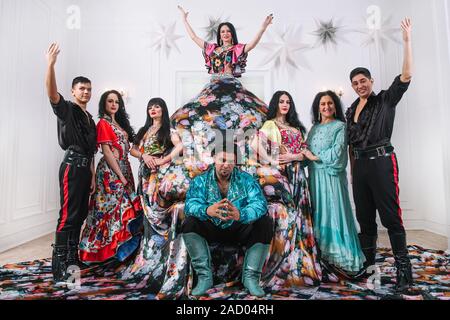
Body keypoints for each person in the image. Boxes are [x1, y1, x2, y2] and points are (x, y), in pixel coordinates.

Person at [345, 18, 413, 292]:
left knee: (391, 218)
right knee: (365, 219)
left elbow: (406, 76)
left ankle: (404, 272)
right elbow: (350, 144)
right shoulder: (350, 111)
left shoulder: (385, 99)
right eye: (355, 83)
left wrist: (407, 41)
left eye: (363, 81)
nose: (359, 85)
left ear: (371, 81)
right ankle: (369, 266)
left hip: (382, 162)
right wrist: (352, 172)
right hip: (359, 168)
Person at [181, 144, 273, 297]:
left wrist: (241, 214)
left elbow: (260, 204)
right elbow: (190, 204)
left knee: (265, 222)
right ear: (214, 159)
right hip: (211, 229)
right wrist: (206, 210)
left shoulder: (246, 179)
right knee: (189, 222)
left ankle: (250, 278)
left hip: (238, 229)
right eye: (222, 160)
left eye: (231, 161)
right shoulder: (201, 180)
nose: (226, 165)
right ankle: (205, 277)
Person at [251, 91, 322, 286]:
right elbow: (255, 144)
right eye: (281, 101)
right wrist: (272, 160)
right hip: (283, 175)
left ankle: (303, 260)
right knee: (289, 215)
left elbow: (303, 151)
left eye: (288, 101)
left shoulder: (296, 127)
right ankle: (287, 261)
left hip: (299, 175)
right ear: (275, 103)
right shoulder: (270, 124)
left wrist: (296, 156)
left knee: (301, 213)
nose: (285, 104)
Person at [118, 98, 186, 295]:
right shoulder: (144, 130)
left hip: (160, 174)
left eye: (156, 106)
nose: (153, 110)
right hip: (145, 173)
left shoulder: (169, 129)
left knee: (157, 209)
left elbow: (180, 146)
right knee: (146, 210)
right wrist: (144, 156)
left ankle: (162, 255)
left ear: (163, 109)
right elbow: (132, 149)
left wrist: (163, 160)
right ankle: (147, 254)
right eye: (150, 107)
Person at [45, 43, 97, 282]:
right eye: (81, 89)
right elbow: (52, 93)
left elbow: (93, 151)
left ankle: (72, 258)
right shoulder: (67, 109)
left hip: (85, 169)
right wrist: (51, 65)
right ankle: (60, 263)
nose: (85, 92)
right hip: (71, 166)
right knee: (68, 214)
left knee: (80, 214)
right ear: (73, 91)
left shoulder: (90, 118)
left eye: (88, 89)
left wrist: (93, 174)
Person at [302, 91, 365, 275]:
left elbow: (338, 154)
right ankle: (325, 259)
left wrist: (313, 156)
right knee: (320, 215)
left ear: (335, 106)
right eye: (322, 104)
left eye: (330, 103)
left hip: (332, 177)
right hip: (315, 178)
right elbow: (305, 153)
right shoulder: (313, 128)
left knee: (336, 213)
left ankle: (343, 259)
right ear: (317, 107)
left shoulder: (340, 126)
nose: (326, 107)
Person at [78, 90, 142, 264]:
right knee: (109, 210)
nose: (114, 104)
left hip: (124, 167)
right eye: (110, 101)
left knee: (123, 209)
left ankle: (118, 252)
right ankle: (100, 253)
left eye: (117, 102)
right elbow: (106, 152)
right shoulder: (103, 123)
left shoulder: (119, 124)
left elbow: (126, 148)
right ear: (104, 104)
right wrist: (120, 176)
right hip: (110, 172)